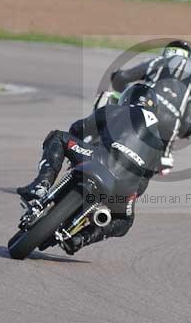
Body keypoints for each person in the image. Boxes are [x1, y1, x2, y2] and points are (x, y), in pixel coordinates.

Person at [17, 83, 164, 255]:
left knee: (58, 137)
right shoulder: (160, 143)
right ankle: (83, 238)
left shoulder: (115, 110)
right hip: (125, 187)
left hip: (100, 160)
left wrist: (86, 145)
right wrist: (127, 194)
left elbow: (78, 128)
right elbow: (143, 183)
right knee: (124, 221)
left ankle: (41, 186)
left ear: (126, 99)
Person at [110, 40, 191, 164]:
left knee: (108, 97)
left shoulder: (158, 62)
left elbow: (123, 78)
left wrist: (118, 78)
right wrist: (187, 131)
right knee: (163, 163)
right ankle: (163, 159)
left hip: (146, 110)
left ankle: (98, 138)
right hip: (170, 127)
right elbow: (186, 125)